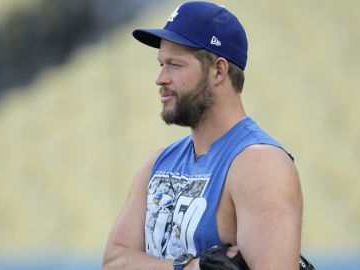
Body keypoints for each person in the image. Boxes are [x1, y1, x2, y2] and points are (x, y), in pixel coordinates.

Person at [102, 1, 303, 269]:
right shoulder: (158, 163)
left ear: (218, 70)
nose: (160, 78)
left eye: (175, 64)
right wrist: (191, 267)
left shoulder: (261, 166)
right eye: (161, 64)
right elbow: (114, 261)